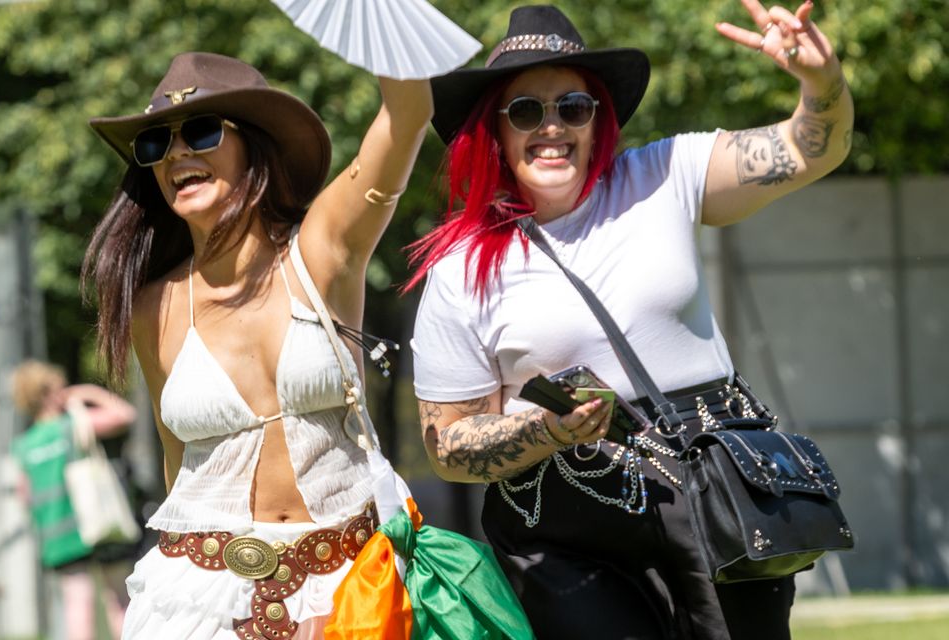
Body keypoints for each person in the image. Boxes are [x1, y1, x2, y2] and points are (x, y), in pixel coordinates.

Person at [408, 3, 851, 639]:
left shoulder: (666, 174)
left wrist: (820, 81)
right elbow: (446, 445)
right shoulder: (460, 268)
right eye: (526, 111)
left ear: (598, 120)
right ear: (497, 132)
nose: (552, 126)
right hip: (561, 523)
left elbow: (814, 148)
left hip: (712, 491)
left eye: (573, 107)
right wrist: (548, 430)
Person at [81, 49, 431, 638]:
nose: (177, 155)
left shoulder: (321, 252)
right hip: (200, 595)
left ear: (255, 143)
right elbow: (177, 465)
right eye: (155, 146)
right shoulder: (153, 307)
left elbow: (408, 114)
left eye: (200, 130)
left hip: (348, 590)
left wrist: (386, 27)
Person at [10, 359, 136, 640]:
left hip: (59, 538)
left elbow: (25, 496)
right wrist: (91, 393)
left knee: (77, 604)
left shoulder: (22, 446)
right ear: (50, 392)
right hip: (101, 526)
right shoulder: (72, 426)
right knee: (120, 600)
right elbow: (126, 414)